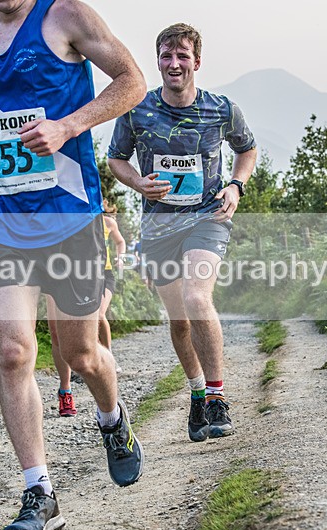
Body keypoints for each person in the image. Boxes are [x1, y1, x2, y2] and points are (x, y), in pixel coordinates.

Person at [0, 2, 146, 530]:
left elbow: (132, 81)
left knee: (80, 354)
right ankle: (39, 491)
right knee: (14, 352)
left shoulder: (66, 16)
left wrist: (68, 126)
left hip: (68, 217)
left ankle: (112, 420)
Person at [108, 23, 257, 443]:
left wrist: (235, 185)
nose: (174, 64)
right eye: (167, 56)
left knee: (197, 298)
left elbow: (247, 149)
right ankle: (196, 393)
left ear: (197, 62)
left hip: (207, 218)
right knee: (179, 321)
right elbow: (116, 159)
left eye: (183, 56)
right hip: (159, 226)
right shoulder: (137, 110)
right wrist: (138, 183)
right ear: (158, 61)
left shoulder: (221, 109)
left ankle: (216, 396)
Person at [51, 199, 126, 417]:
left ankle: (107, 358)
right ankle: (65, 390)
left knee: (100, 314)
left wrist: (121, 258)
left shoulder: (108, 222)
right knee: (55, 331)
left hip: (102, 274)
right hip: (63, 270)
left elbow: (120, 242)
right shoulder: (63, 215)